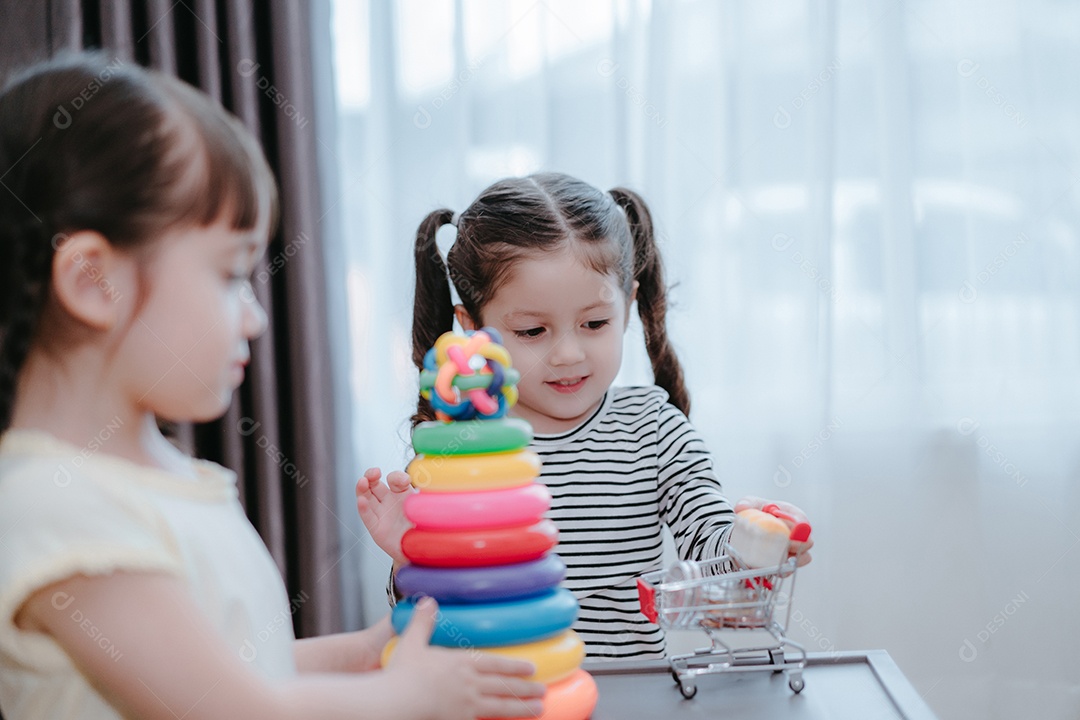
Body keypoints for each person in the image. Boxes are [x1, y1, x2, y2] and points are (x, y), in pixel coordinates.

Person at [0, 54, 544, 720]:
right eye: (230, 276)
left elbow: (247, 669)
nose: (255, 317)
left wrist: (382, 650)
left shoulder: (155, 479)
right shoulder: (61, 510)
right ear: (92, 282)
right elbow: (235, 709)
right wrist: (409, 696)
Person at [357, 172, 814, 660]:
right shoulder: (460, 447)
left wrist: (757, 545)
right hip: (502, 703)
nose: (568, 354)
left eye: (595, 324)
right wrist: (415, 556)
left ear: (628, 306)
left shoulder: (654, 430)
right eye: (532, 331)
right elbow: (432, 623)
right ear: (472, 328)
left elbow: (713, 548)